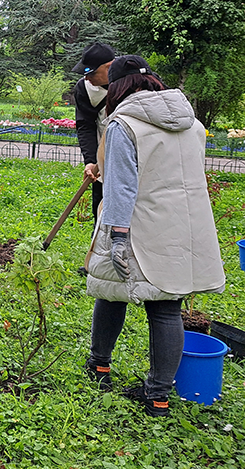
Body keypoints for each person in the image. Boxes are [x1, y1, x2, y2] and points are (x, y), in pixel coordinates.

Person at [84, 55, 225, 416]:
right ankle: (158, 395)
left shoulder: (123, 125)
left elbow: (120, 186)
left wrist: (117, 236)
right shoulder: (192, 124)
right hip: (182, 227)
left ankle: (99, 366)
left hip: (138, 224)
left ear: (118, 87)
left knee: (110, 291)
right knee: (166, 308)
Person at [71, 42, 115, 219]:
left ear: (109, 67)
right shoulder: (84, 88)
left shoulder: (135, 82)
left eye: (92, 73)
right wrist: (90, 161)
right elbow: (85, 125)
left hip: (136, 160)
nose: (87, 78)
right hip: (103, 160)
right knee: (100, 210)